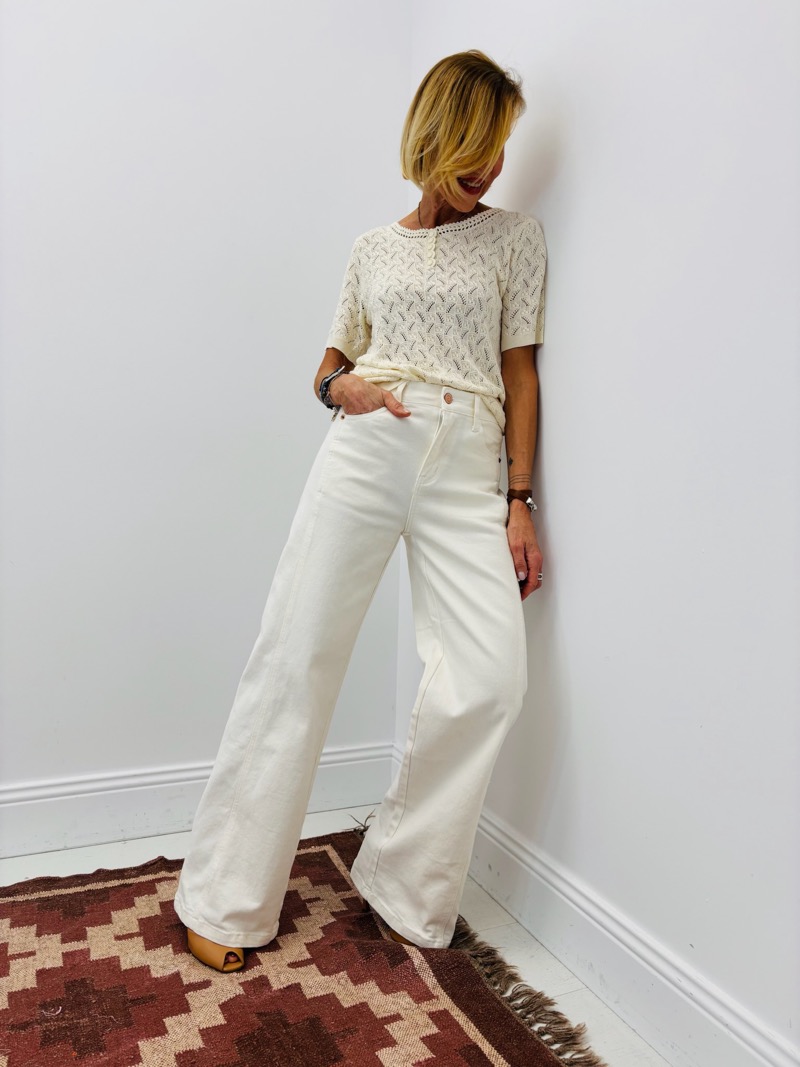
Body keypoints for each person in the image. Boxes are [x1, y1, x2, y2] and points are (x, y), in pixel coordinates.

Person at [173, 48, 547, 972]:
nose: (489, 166)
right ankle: (223, 893)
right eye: (474, 144)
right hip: (371, 438)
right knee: (296, 651)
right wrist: (340, 388)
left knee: (490, 678)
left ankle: (402, 877)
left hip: (469, 457)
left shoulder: (516, 238)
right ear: (436, 136)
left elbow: (520, 374)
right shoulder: (371, 248)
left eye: (499, 147)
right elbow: (330, 363)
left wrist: (520, 499)